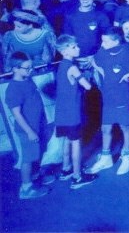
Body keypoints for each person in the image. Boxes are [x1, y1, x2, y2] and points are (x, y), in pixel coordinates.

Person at [86, 28, 129, 176]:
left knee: (125, 127)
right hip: (108, 97)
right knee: (105, 128)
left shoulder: (126, 54)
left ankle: (127, 155)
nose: (102, 44)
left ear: (116, 41)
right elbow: (93, 61)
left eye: (106, 41)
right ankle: (106, 157)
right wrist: (102, 71)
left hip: (122, 97)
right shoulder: (103, 51)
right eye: (102, 41)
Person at [6, 52, 52, 199]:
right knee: (28, 158)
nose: (30, 70)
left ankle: (35, 177)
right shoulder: (13, 89)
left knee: (38, 153)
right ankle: (25, 188)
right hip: (27, 130)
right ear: (15, 69)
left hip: (38, 125)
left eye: (31, 67)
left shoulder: (28, 79)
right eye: (27, 68)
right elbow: (17, 114)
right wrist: (30, 132)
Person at [54, 35, 98, 189]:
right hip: (72, 112)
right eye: (74, 47)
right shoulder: (72, 68)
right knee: (76, 144)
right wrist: (87, 75)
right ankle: (77, 177)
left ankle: (66, 169)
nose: (78, 48)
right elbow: (87, 86)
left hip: (61, 111)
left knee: (67, 141)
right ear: (65, 51)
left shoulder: (62, 65)